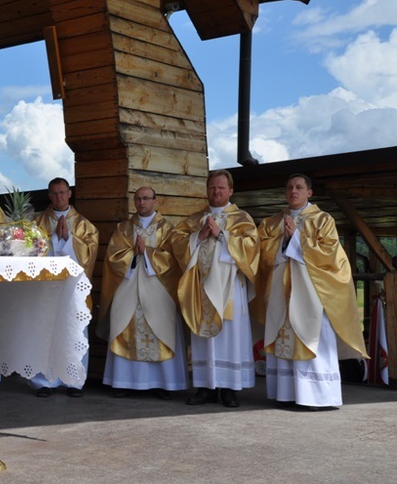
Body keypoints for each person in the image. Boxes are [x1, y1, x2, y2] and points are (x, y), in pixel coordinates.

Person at [255, 173, 368, 409]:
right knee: (284, 337)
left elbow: (330, 255)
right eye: (289, 188)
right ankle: (288, 395)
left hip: (312, 292)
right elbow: (261, 255)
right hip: (280, 292)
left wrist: (296, 238)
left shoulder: (322, 220)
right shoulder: (271, 222)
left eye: (298, 187)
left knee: (314, 339)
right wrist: (282, 242)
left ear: (309, 193)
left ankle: (318, 397)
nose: (293, 191)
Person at [170, 170, 259, 408]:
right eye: (212, 187)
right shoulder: (194, 219)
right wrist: (199, 236)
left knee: (230, 337)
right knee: (204, 337)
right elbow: (177, 242)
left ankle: (229, 388)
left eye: (221, 188)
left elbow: (251, 247)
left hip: (230, 288)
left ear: (231, 190)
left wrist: (222, 235)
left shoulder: (241, 218)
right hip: (202, 288)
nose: (216, 192)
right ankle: (206, 387)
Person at [98, 186, 187, 399]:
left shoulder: (168, 229)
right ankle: (124, 382)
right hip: (129, 291)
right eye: (137, 199)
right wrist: (132, 254)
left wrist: (146, 252)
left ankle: (162, 383)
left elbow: (173, 260)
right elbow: (113, 256)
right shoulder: (125, 228)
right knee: (126, 330)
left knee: (159, 333)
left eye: (146, 199)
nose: (141, 203)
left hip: (159, 293)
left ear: (155, 201)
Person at [31, 177, 99, 397]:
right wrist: (53, 239)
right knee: (45, 332)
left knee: (74, 333)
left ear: (70, 193)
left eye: (62, 192)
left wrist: (69, 240)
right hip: (45, 289)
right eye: (54, 193)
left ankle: (74, 381)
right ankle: (44, 381)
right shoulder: (37, 222)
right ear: (49, 196)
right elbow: (29, 250)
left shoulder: (84, 225)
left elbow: (89, 255)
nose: (58, 197)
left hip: (73, 290)